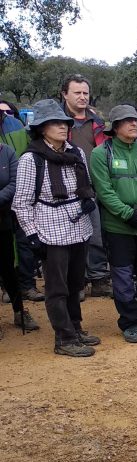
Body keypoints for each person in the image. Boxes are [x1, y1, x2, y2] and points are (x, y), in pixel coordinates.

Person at [12, 99, 102, 357]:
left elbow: (85, 184)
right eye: (55, 123)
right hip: (50, 230)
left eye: (64, 122)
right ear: (41, 128)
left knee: (75, 283)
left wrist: (88, 200)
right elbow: (22, 202)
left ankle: (75, 328)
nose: (62, 127)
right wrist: (31, 234)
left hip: (79, 226)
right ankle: (64, 338)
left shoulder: (75, 152)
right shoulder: (32, 159)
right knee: (57, 287)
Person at [89, 105, 137, 343]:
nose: (133, 124)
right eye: (126, 121)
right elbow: (104, 191)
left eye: (135, 120)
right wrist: (128, 214)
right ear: (115, 127)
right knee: (122, 277)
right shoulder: (101, 154)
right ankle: (129, 322)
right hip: (118, 228)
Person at [61, 74, 112, 298]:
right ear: (65, 94)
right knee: (73, 236)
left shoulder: (97, 122)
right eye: (77, 93)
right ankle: (77, 282)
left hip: (98, 185)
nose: (82, 97)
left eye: (85, 93)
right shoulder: (57, 122)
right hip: (67, 188)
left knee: (98, 235)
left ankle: (99, 279)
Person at [1, 98, 45, 302]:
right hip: (4, 203)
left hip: (21, 194)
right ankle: (7, 287)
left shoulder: (16, 125)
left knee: (25, 242)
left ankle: (27, 284)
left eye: (7, 111)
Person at [1, 131, 40, 337]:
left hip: (3, 220)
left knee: (8, 268)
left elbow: (15, 182)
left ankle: (19, 311)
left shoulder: (6, 152)